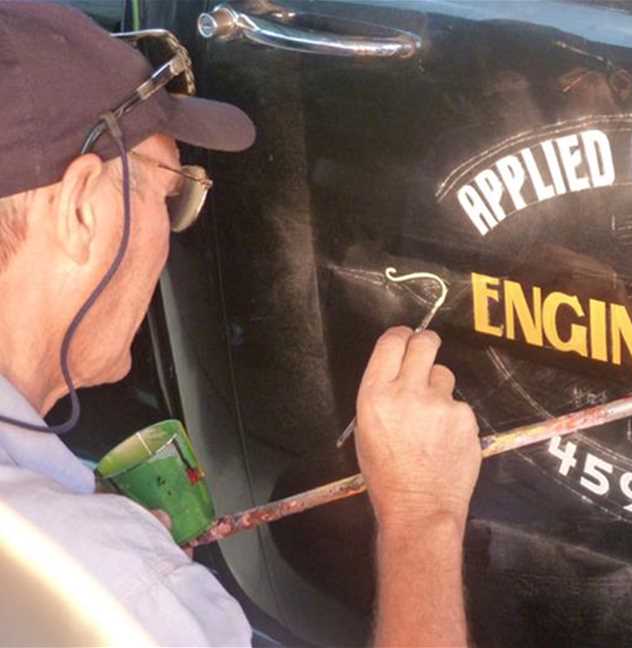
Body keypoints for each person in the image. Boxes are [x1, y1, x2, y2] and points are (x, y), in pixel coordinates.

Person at [0, 3, 481, 646]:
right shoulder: (91, 593)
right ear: (84, 212)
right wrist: (425, 518)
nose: (172, 231)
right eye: (169, 195)